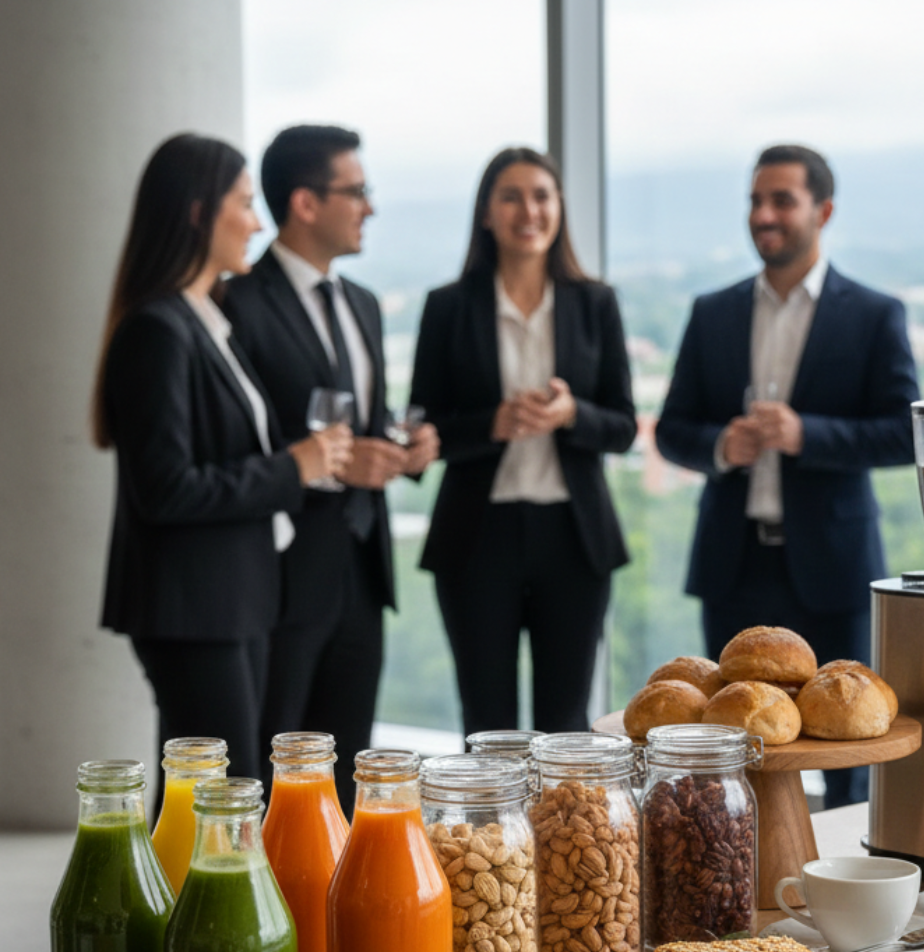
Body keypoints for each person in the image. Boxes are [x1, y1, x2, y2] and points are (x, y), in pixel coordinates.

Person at [654, 144, 919, 808]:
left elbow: (904, 431)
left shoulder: (873, 313)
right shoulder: (711, 312)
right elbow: (671, 429)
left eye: (781, 200)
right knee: (728, 744)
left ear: (822, 211)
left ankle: (848, 885)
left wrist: (807, 435)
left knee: (848, 748)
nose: (764, 214)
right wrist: (722, 446)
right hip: (734, 564)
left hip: (832, 565)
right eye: (755, 200)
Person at [95, 134, 352, 783]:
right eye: (243, 203)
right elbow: (166, 489)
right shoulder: (158, 330)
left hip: (231, 597)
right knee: (215, 804)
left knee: (209, 803)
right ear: (196, 212)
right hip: (192, 604)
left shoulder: (205, 320)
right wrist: (293, 467)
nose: (257, 221)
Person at [224, 125, 437, 812]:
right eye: (358, 192)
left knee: (350, 764)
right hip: (285, 575)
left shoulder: (364, 304)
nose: (369, 207)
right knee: (273, 760)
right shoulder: (239, 304)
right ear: (306, 203)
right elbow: (239, 438)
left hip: (364, 571)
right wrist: (334, 466)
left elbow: (364, 429)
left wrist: (405, 455)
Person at [409, 147, 636, 735]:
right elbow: (421, 428)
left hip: (574, 537)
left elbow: (623, 425)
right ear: (486, 213)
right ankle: (488, 830)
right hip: (476, 537)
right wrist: (493, 424)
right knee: (487, 723)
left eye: (541, 195)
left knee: (567, 721)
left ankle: (567, 831)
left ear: (559, 207)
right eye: (511, 196)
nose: (528, 210)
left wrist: (569, 414)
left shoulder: (595, 303)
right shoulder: (447, 307)